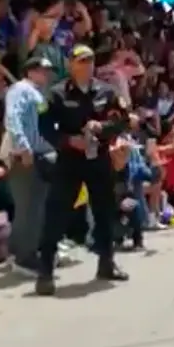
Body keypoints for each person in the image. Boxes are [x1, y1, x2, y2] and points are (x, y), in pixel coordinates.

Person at [35, 44, 130, 296]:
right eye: (81, 61)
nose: (86, 66)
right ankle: (45, 272)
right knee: (56, 214)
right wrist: (67, 140)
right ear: (71, 65)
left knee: (104, 211)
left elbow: (122, 120)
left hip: (99, 158)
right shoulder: (56, 93)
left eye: (89, 61)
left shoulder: (106, 91)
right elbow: (44, 126)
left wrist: (103, 128)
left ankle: (106, 263)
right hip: (70, 161)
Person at [3, 56, 57, 275]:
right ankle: (24, 258)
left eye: (48, 71)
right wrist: (23, 147)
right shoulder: (21, 89)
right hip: (25, 156)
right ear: (30, 71)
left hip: (39, 156)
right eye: (42, 70)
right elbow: (13, 117)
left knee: (32, 207)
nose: (46, 74)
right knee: (30, 208)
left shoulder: (38, 93)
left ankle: (18, 253)